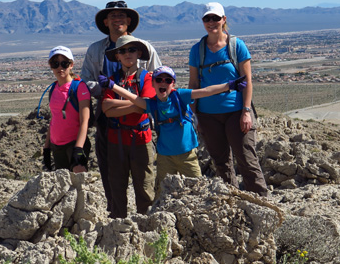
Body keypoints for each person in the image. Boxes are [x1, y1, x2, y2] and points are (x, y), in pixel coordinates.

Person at [99, 65, 246, 193]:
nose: (163, 83)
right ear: (153, 83)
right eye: (159, 80)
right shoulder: (153, 104)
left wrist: (230, 86)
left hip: (187, 156)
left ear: (173, 84)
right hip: (164, 157)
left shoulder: (180, 96)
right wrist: (112, 85)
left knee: (197, 189)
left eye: (168, 80)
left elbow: (206, 91)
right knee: (163, 191)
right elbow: (134, 98)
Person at [80, 1, 160, 213]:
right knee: (112, 173)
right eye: (113, 16)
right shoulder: (96, 49)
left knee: (144, 176)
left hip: (141, 127)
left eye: (122, 16)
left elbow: (158, 82)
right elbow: (88, 82)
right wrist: (132, 101)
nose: (118, 20)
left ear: (129, 20)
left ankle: (145, 219)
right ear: (105, 22)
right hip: (108, 124)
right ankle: (116, 215)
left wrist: (121, 97)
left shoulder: (146, 48)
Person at [188, 2, 269, 196]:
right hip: (208, 116)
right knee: (221, 163)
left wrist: (246, 111)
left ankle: (263, 205)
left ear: (224, 20)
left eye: (215, 18)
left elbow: (247, 81)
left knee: (247, 160)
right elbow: (193, 84)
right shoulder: (197, 50)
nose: (211, 22)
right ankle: (232, 205)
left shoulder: (236, 45)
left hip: (236, 112)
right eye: (207, 18)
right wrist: (194, 115)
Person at [99, 36, 156, 218]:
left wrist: (120, 104)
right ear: (117, 56)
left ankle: (145, 225)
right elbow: (107, 109)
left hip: (141, 140)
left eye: (131, 50)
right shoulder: (112, 79)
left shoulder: (147, 78)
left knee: (145, 186)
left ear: (139, 53)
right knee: (117, 186)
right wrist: (136, 106)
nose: (127, 54)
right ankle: (118, 227)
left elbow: (147, 105)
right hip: (116, 141)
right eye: (122, 51)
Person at [42, 46, 91, 173]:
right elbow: (54, 118)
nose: (60, 68)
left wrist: (78, 148)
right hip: (56, 146)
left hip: (74, 143)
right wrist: (47, 147)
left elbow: (85, 120)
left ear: (71, 65)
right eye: (55, 63)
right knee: (62, 185)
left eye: (64, 63)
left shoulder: (79, 87)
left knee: (78, 184)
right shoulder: (53, 88)